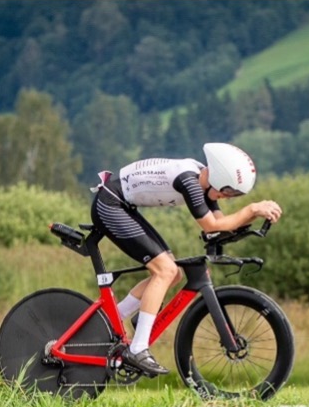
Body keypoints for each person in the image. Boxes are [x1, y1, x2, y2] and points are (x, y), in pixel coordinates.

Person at [90, 143, 283, 376]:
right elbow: (212, 225)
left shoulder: (205, 183)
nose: (229, 198)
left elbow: (221, 228)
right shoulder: (189, 181)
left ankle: (109, 323)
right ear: (219, 179)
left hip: (122, 204)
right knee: (165, 271)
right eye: (230, 192)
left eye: (235, 195)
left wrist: (251, 223)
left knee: (174, 273)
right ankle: (138, 349)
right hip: (110, 205)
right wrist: (252, 209)